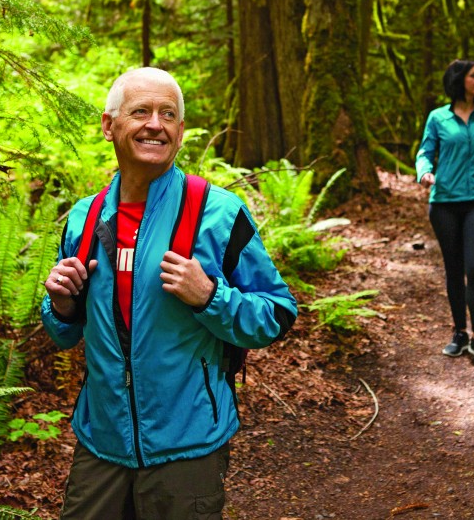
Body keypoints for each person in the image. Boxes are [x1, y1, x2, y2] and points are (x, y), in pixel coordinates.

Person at [41, 67, 297, 519]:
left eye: (168, 114)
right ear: (109, 125)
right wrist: (61, 306)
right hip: (101, 442)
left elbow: (277, 314)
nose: (154, 124)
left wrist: (210, 297)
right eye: (140, 111)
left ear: (179, 133)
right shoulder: (85, 218)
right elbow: (65, 333)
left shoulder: (218, 214)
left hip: (187, 445)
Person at [416, 59, 474, 365]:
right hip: (444, 203)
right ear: (459, 80)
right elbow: (425, 152)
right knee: (453, 268)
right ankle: (459, 333)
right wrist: (424, 172)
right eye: (473, 75)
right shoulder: (438, 117)